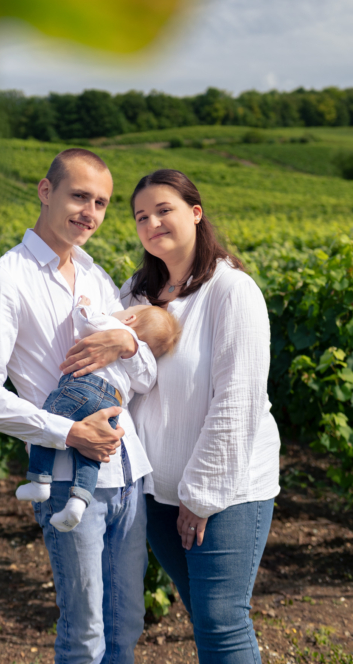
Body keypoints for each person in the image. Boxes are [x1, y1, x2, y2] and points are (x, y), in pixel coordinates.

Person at [0, 149, 158, 664]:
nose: (89, 212)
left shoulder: (96, 278)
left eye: (101, 202)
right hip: (71, 479)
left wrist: (128, 345)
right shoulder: (4, 280)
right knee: (85, 632)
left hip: (129, 473)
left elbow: (139, 378)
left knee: (127, 623)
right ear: (46, 192)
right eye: (79, 196)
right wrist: (68, 433)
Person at [120, 169, 281, 664]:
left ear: (195, 212)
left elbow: (238, 400)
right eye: (142, 216)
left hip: (225, 493)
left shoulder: (232, 291)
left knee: (222, 622)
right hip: (157, 491)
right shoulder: (135, 294)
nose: (152, 223)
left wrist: (202, 496)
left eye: (164, 210)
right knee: (205, 616)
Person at [16, 295, 180, 533]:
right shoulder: (139, 353)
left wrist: (83, 307)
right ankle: (79, 501)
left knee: (50, 417)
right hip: (113, 402)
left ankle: (40, 480)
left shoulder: (114, 327)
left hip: (85, 386)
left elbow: (86, 323)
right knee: (93, 452)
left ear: (131, 318)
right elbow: (145, 384)